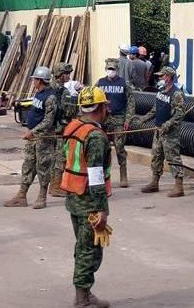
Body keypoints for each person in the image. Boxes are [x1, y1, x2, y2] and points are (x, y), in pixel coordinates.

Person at [61, 86, 113, 308]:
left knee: (83, 247)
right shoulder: (95, 137)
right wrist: (102, 208)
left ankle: (85, 293)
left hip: (74, 196)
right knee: (90, 251)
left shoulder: (73, 128)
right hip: (89, 200)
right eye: (105, 106)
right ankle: (83, 297)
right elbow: (96, 176)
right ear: (100, 107)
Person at [3, 66, 56, 209]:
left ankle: (42, 197)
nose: (33, 82)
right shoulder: (39, 93)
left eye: (35, 80)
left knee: (43, 167)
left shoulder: (50, 97)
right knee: (28, 164)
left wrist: (33, 131)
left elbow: (48, 121)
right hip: (33, 136)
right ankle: (21, 196)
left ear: (41, 80)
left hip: (43, 137)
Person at [136, 66, 186, 198]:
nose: (160, 78)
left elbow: (179, 114)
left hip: (170, 133)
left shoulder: (176, 94)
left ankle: (179, 186)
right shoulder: (161, 91)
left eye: (162, 76)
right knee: (156, 156)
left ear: (168, 77)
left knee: (173, 157)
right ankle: (154, 182)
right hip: (158, 130)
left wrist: (167, 125)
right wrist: (143, 119)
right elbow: (155, 109)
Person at [97, 58, 136, 188]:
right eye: (109, 69)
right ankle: (104, 176)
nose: (111, 71)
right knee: (103, 149)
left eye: (113, 69)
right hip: (104, 121)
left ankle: (123, 174)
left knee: (119, 148)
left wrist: (128, 120)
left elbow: (131, 103)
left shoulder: (124, 84)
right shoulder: (100, 83)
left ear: (117, 70)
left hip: (119, 119)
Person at [49, 62, 75, 198]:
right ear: (60, 74)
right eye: (67, 73)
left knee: (54, 158)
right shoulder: (60, 91)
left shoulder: (52, 88)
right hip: (58, 129)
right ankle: (55, 186)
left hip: (53, 129)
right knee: (60, 158)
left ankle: (53, 184)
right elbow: (68, 111)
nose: (69, 76)